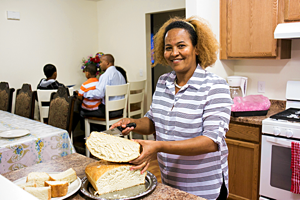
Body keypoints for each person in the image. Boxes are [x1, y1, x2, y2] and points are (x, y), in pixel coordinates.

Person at [110, 16, 233, 200]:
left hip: (203, 189)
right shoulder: (163, 82)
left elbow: (210, 141)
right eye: (168, 48)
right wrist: (134, 123)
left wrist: (158, 146)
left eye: (181, 46)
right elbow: (153, 121)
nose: (174, 52)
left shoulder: (215, 86)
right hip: (170, 181)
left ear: (197, 48)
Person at [82, 54, 126, 118]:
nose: (99, 64)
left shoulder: (105, 75)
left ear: (107, 63)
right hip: (120, 110)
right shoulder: (120, 75)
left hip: (109, 111)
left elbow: (100, 94)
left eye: (101, 62)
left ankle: (97, 128)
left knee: (82, 111)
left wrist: (85, 94)